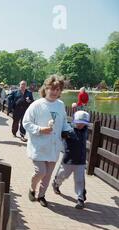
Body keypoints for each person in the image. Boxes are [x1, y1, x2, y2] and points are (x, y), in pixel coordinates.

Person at [22, 75, 72, 207]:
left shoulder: (60, 105)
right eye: (52, 89)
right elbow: (26, 123)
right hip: (39, 146)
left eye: (58, 89)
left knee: (48, 174)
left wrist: (67, 130)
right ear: (46, 88)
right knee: (40, 171)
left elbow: (64, 122)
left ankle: (42, 195)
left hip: (54, 146)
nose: (55, 92)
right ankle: (32, 188)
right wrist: (39, 129)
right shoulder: (37, 105)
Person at [52, 111, 89, 209]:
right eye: (78, 122)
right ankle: (56, 183)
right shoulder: (68, 130)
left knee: (80, 180)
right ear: (74, 122)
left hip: (80, 161)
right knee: (62, 175)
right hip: (68, 160)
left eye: (83, 123)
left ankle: (80, 198)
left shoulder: (85, 130)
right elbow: (58, 132)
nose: (80, 125)